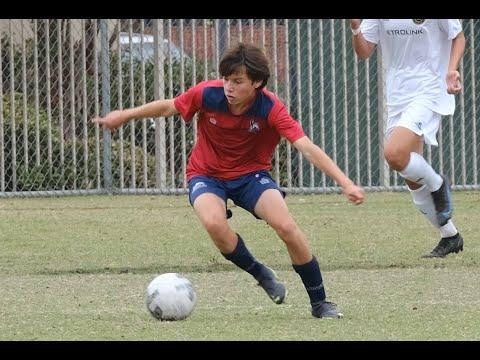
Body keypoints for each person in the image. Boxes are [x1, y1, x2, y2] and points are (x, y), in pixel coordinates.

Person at [93, 43, 365, 318]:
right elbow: (168, 107)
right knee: (214, 223)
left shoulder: (270, 107)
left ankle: (320, 303)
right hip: (206, 174)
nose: (228, 87)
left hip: (251, 175)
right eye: (226, 79)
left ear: (257, 82)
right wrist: (123, 116)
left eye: (237, 81)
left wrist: (345, 182)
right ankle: (261, 273)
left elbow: (305, 146)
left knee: (286, 227)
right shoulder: (207, 94)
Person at [350, 19, 466, 258]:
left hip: (430, 87)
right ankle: (450, 235)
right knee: (410, 176)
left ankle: (437, 184)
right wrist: (354, 27)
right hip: (397, 94)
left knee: (394, 154)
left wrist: (452, 69)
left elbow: (459, 36)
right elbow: (364, 51)